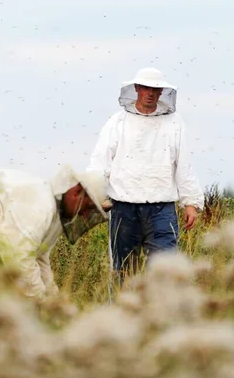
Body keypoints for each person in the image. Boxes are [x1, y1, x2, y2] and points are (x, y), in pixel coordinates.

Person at [0, 164, 111, 301]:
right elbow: (17, 258)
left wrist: (53, 298)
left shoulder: (55, 215)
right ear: (77, 191)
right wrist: (40, 301)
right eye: (88, 207)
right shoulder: (39, 206)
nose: (85, 215)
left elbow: (39, 259)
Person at [88, 67, 205, 281]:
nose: (151, 93)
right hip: (123, 207)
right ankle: (124, 314)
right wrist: (95, 193)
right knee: (124, 272)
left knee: (166, 271)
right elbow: (100, 161)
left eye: (156, 89)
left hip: (162, 209)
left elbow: (184, 164)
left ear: (162, 93)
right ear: (137, 89)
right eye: (146, 88)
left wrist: (191, 202)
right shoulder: (117, 122)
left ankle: (162, 314)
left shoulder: (174, 123)